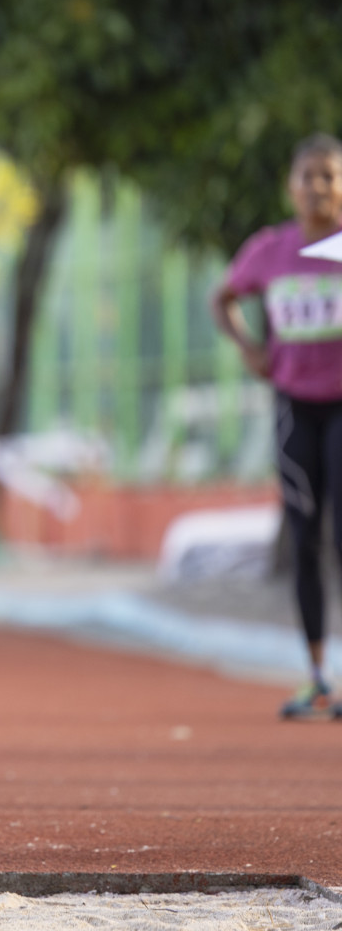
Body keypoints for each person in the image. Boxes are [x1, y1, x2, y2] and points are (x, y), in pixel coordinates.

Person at [213, 133, 342, 720]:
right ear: (290, 187)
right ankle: (316, 675)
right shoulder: (270, 250)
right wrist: (249, 349)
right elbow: (224, 298)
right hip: (294, 406)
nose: (317, 186)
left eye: (329, 175)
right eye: (307, 176)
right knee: (305, 536)